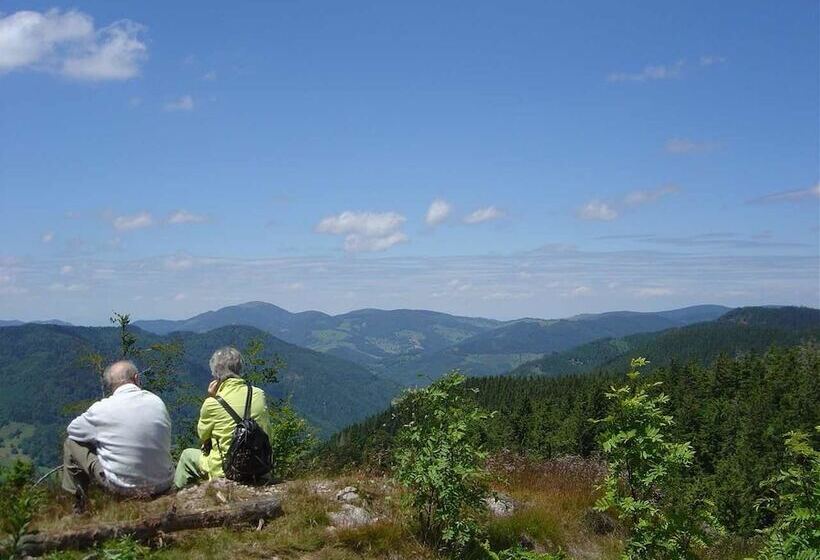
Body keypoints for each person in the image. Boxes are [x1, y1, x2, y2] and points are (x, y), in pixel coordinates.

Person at [63, 360, 173, 512]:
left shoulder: (102, 408)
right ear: (136, 378)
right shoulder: (157, 401)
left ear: (112, 386)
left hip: (124, 489)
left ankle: (77, 508)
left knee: (71, 443)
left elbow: (73, 430)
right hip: (164, 485)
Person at [174, 346, 270, 488]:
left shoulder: (212, 403)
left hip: (224, 470)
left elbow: (203, 435)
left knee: (187, 455)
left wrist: (212, 397)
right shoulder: (258, 394)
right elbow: (266, 430)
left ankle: (178, 497)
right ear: (239, 369)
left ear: (215, 374)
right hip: (259, 465)